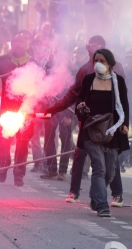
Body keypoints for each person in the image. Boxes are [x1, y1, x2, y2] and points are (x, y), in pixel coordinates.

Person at [45, 36, 126, 207]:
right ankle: (74, 192)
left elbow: (122, 100)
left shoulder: (116, 69)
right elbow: (72, 95)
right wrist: (53, 110)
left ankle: (117, 194)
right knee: (80, 153)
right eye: (89, 47)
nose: (89, 49)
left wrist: (123, 122)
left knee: (110, 158)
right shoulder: (85, 71)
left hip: (110, 122)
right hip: (88, 123)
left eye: (94, 47)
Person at [73, 49, 128, 217]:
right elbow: (79, 104)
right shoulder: (89, 79)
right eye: (96, 60)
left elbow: (124, 105)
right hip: (91, 130)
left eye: (102, 60)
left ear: (110, 63)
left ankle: (96, 196)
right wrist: (80, 108)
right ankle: (103, 205)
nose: (98, 63)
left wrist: (125, 124)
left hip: (112, 130)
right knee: (99, 167)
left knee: (110, 171)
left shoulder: (118, 81)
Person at [0, 34, 33, 186]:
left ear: (26, 45)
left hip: (26, 109)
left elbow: (39, 85)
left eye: (22, 42)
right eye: (16, 42)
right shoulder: (2, 61)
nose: (18, 45)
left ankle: (19, 174)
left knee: (22, 142)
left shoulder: (32, 63)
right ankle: (3, 165)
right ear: (11, 45)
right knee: (4, 139)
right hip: (7, 109)